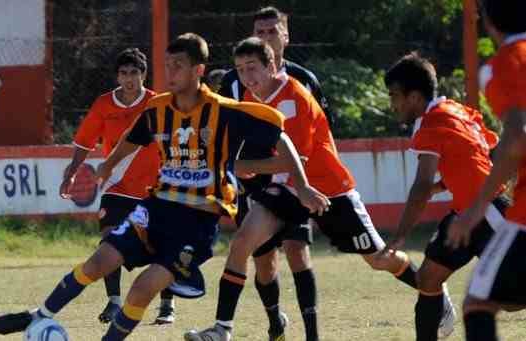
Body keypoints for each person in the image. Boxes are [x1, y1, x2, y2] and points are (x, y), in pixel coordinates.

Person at [0, 32, 328, 341]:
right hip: (155, 209)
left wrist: (303, 186)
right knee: (98, 262)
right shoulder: (157, 108)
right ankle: (40, 314)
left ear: (198, 70)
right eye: (167, 65)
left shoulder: (225, 112)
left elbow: (280, 136)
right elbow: (132, 138)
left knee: (142, 288)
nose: (170, 72)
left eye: (178, 65)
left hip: (195, 225)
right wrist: (106, 166)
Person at [184, 37, 451, 341]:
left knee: (379, 259)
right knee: (242, 241)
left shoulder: (292, 97)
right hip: (287, 191)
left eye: (253, 68)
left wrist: (242, 166)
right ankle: (222, 329)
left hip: (329, 190)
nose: (247, 77)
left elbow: (295, 161)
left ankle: (434, 289)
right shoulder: (250, 99)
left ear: (271, 65)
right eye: (241, 70)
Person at [217, 6, 333, 339]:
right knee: (263, 261)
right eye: (259, 32)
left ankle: (313, 333)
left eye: (272, 31)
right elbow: (223, 126)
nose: (265, 37)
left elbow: (322, 131)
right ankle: (275, 324)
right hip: (251, 184)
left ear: (285, 35)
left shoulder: (304, 81)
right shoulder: (233, 81)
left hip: (293, 180)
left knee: (298, 249)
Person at [383, 52, 508, 341]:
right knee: (428, 279)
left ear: (414, 97)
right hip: (467, 214)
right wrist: (451, 182)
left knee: (513, 297)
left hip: (489, 214)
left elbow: (420, 186)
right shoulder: (455, 110)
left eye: (394, 96)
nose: (392, 104)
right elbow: (489, 149)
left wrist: (400, 235)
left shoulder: (431, 124)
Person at [58, 47, 164, 325]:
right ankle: (114, 301)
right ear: (117, 76)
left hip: (155, 187)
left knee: (162, 244)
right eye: (123, 73)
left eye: (134, 73)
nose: (129, 79)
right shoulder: (104, 104)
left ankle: (167, 303)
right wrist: (71, 172)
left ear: (144, 75)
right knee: (109, 238)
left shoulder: (157, 103)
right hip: (117, 185)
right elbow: (84, 141)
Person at [446, 1, 526, 340]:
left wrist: (475, 210)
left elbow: (517, 137)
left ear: (488, 23)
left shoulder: (503, 65)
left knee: (478, 300)